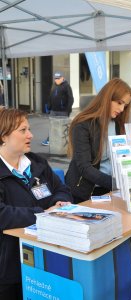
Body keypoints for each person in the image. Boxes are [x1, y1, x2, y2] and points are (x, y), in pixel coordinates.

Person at [0, 108, 72, 300]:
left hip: (45, 258)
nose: (30, 135)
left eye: (29, 129)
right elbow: (3, 214)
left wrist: (59, 205)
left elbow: (62, 190)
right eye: (23, 130)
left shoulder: (37, 163)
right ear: (4, 136)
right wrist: (43, 213)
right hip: (9, 267)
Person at [65, 78, 131, 203]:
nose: (122, 109)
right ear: (107, 98)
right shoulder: (83, 125)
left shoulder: (117, 124)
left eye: (125, 105)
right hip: (84, 192)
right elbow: (85, 168)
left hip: (110, 190)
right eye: (119, 102)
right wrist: (117, 183)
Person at [41, 71, 74, 146]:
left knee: (63, 127)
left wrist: (68, 110)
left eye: (58, 78)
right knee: (52, 126)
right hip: (53, 110)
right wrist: (48, 107)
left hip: (63, 111)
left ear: (62, 78)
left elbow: (70, 99)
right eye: (55, 78)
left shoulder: (66, 86)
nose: (57, 80)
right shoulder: (54, 85)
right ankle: (50, 140)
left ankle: (66, 142)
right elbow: (50, 97)